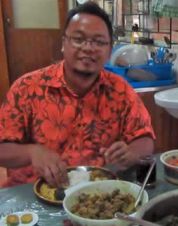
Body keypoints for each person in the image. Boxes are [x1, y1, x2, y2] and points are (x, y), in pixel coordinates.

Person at [0, 2, 155, 188]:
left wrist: (131, 152)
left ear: (109, 52)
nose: (88, 48)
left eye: (99, 42)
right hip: (33, 196)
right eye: (78, 39)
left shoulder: (120, 90)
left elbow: (145, 139)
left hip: (98, 194)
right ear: (63, 44)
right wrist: (32, 153)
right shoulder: (27, 88)